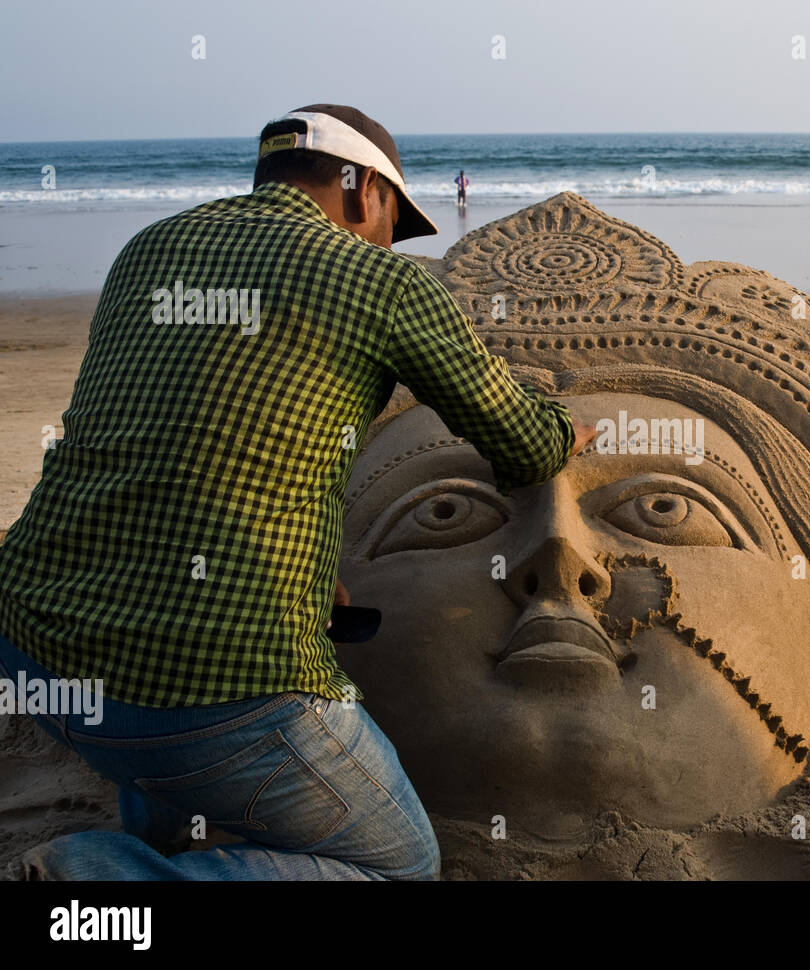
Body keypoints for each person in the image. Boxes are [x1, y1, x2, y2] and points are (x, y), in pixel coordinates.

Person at [0, 103, 599, 881]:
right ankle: (96, 877)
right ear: (363, 192)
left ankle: (159, 821)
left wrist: (310, 566)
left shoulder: (148, 250)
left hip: (31, 646)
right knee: (400, 866)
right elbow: (522, 443)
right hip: (216, 695)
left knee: (150, 689)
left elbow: (192, 438)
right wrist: (571, 430)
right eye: (394, 218)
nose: (390, 239)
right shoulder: (378, 280)